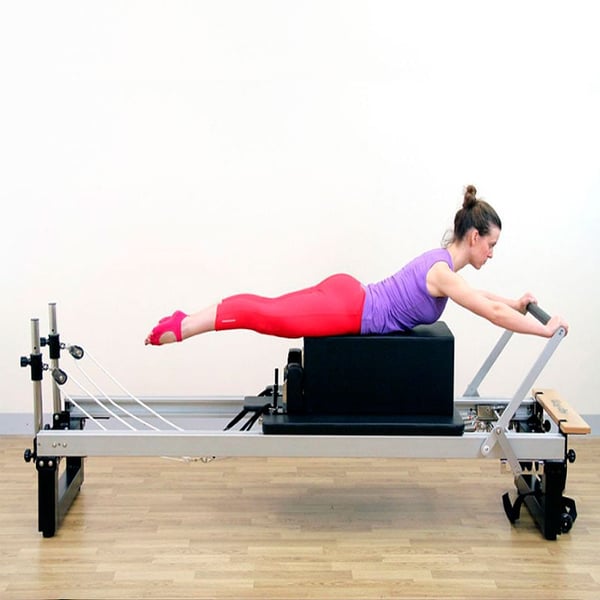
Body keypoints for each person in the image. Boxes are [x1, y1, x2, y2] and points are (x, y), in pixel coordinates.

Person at [145, 185, 568, 346]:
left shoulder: (443, 268)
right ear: (473, 237)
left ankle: (186, 319)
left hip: (349, 296)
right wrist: (544, 329)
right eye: (491, 245)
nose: (491, 254)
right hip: (348, 309)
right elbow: (487, 311)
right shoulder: (442, 273)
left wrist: (516, 303)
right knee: (266, 315)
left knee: (269, 307)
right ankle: (185, 327)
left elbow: (486, 299)